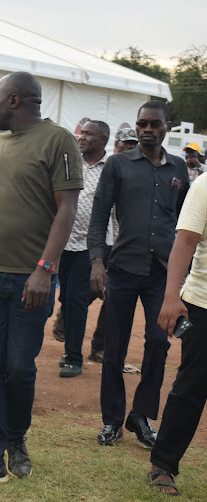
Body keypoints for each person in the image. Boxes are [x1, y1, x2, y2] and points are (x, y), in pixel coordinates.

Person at [0, 72, 82, 489]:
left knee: (19, 368)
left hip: (30, 278)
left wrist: (45, 268)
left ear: (16, 100)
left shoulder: (58, 141)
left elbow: (67, 208)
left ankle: (16, 440)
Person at [89, 100, 189, 448]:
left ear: (167, 127)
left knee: (159, 344)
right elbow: (99, 215)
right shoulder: (117, 164)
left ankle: (141, 416)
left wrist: (184, 274)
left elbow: (184, 223)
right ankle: (112, 420)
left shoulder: (178, 168)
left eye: (154, 124)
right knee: (113, 348)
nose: (147, 130)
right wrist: (98, 261)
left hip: (162, 272)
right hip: (123, 268)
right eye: (141, 124)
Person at [147, 170, 207, 496]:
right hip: (204, 304)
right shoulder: (204, 185)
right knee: (192, 387)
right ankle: (163, 465)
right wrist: (172, 295)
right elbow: (184, 242)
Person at [57, 120, 110, 378]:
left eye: (88, 134)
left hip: (90, 246)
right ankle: (67, 333)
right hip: (64, 242)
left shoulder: (111, 168)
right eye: (81, 133)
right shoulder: (71, 163)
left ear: (103, 140)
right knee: (67, 298)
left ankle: (73, 358)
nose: (82, 137)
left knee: (77, 299)